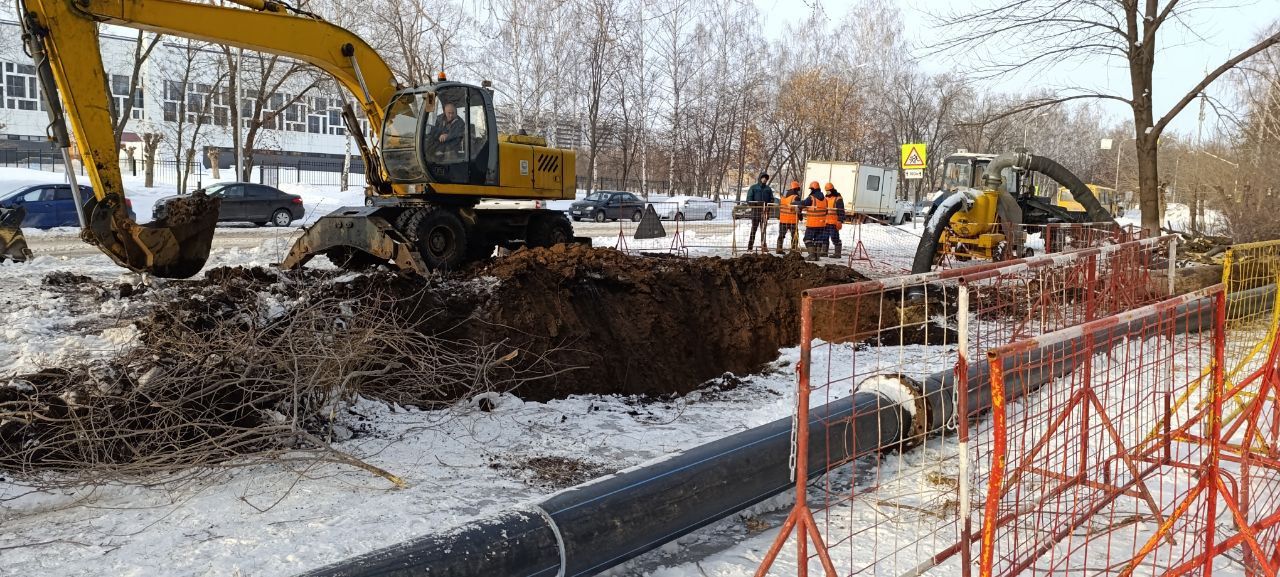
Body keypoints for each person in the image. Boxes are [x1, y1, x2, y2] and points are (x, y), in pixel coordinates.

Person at [745, 172, 774, 252]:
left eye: (766, 178)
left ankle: (763, 246)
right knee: (753, 230)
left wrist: (768, 206)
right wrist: (756, 204)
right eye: (763, 177)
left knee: (763, 230)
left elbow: (772, 199)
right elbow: (749, 199)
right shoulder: (753, 188)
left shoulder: (768, 189)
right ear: (760, 178)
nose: (764, 179)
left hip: (765, 211)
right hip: (755, 211)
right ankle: (749, 247)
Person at [800, 181, 827, 262]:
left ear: (812, 189)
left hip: (812, 224)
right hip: (822, 224)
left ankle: (812, 256)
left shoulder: (811, 198)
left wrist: (794, 203)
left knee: (807, 239)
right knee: (818, 240)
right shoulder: (825, 199)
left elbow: (803, 203)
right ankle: (817, 256)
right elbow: (826, 211)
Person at [776, 181, 801, 254]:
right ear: (796, 189)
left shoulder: (783, 198)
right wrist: (800, 216)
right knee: (795, 236)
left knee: (781, 235)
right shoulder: (796, 197)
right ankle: (794, 250)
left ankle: (779, 249)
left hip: (783, 220)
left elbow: (780, 208)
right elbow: (798, 209)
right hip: (792, 220)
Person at [823, 182, 846, 258]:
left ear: (832, 190)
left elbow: (841, 211)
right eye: (826, 191)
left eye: (828, 190)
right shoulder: (826, 197)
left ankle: (837, 254)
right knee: (824, 237)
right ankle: (824, 252)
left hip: (834, 222)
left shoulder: (838, 198)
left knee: (835, 237)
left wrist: (840, 220)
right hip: (826, 222)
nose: (827, 192)